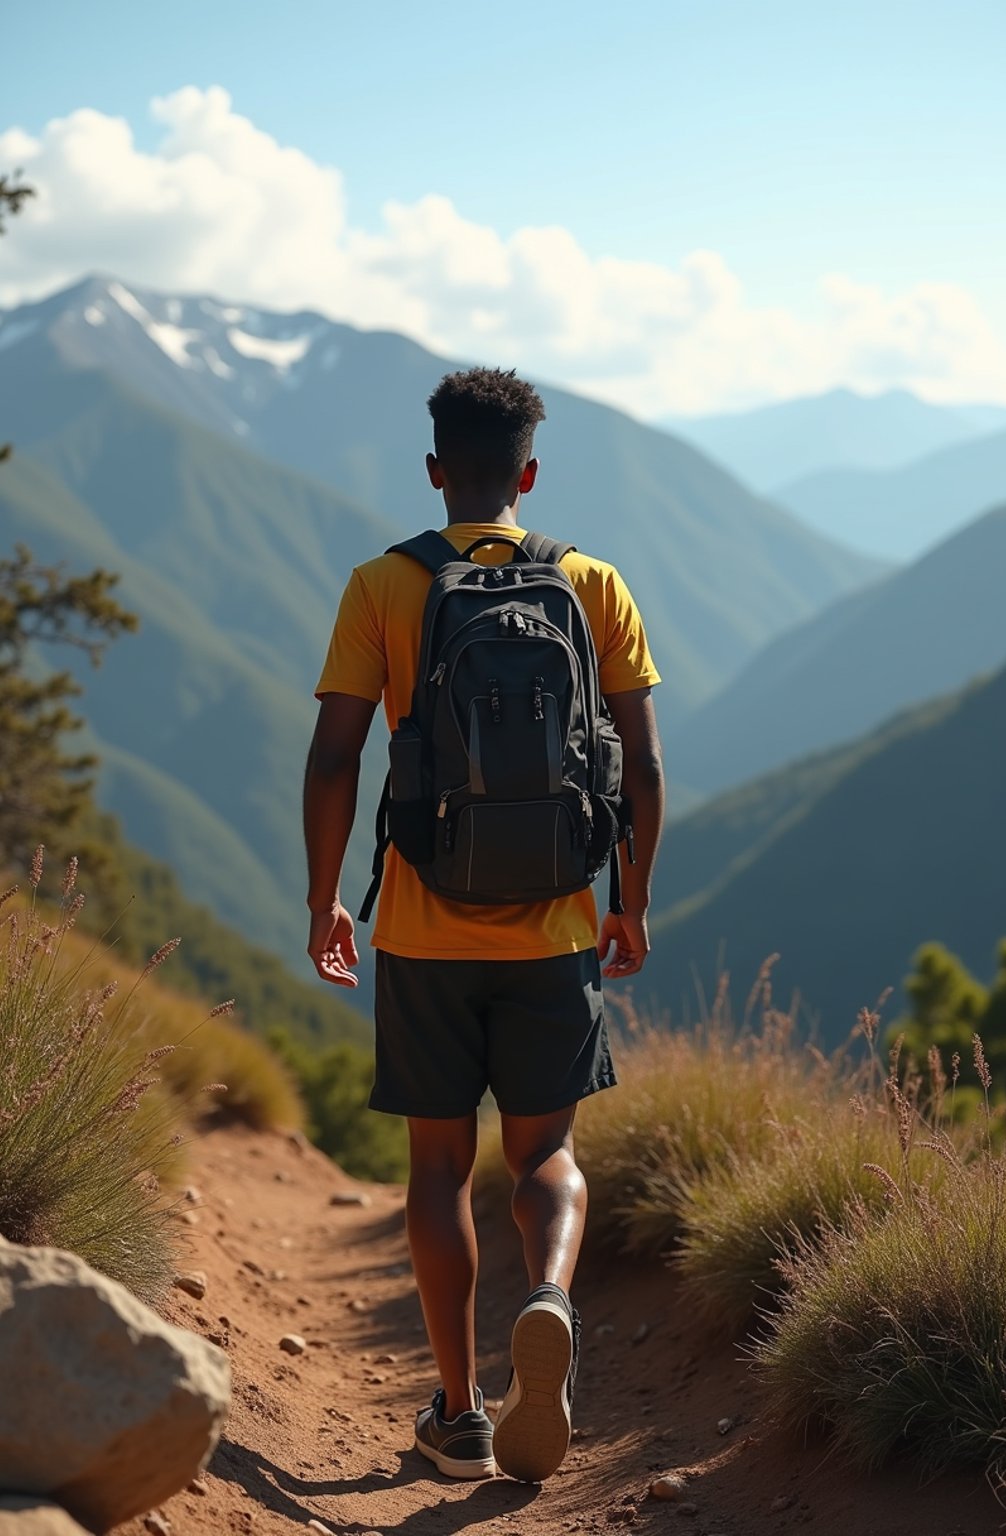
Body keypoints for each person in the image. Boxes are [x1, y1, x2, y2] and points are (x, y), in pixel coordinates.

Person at [304, 367, 664, 1483]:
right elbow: (642, 767)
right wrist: (628, 902)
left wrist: (323, 899)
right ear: (528, 472)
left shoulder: (383, 585)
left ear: (433, 470)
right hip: (555, 931)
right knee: (544, 1152)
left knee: (437, 1168)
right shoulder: (593, 585)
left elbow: (335, 757)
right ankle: (549, 1297)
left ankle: (458, 1413)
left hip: (422, 925)